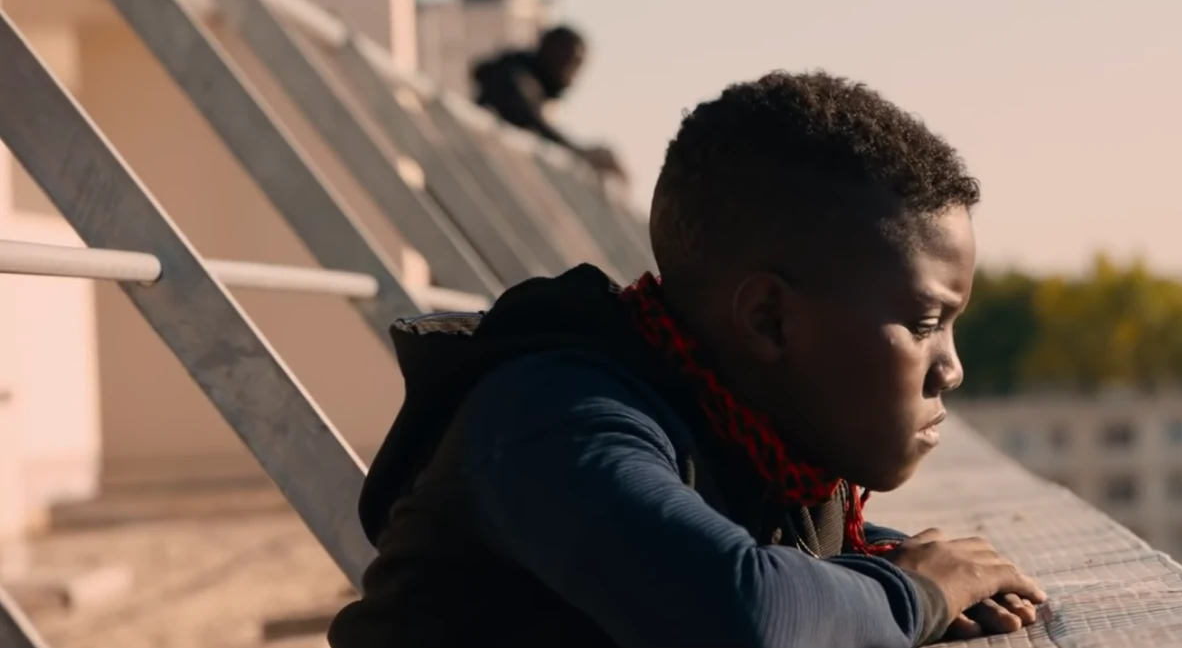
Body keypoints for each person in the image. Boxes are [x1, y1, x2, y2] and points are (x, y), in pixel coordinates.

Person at [327, 70, 1046, 648]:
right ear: (769, 319)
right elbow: (743, 616)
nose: (950, 367)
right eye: (925, 323)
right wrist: (918, 590)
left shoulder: (763, 435)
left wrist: (900, 572)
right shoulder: (556, 415)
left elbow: (776, 565)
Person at [472, 25, 625, 178]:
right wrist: (582, 153)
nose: (570, 76)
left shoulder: (522, 80)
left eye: (576, 66)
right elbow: (530, 119)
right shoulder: (515, 79)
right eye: (566, 61)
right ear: (550, 52)